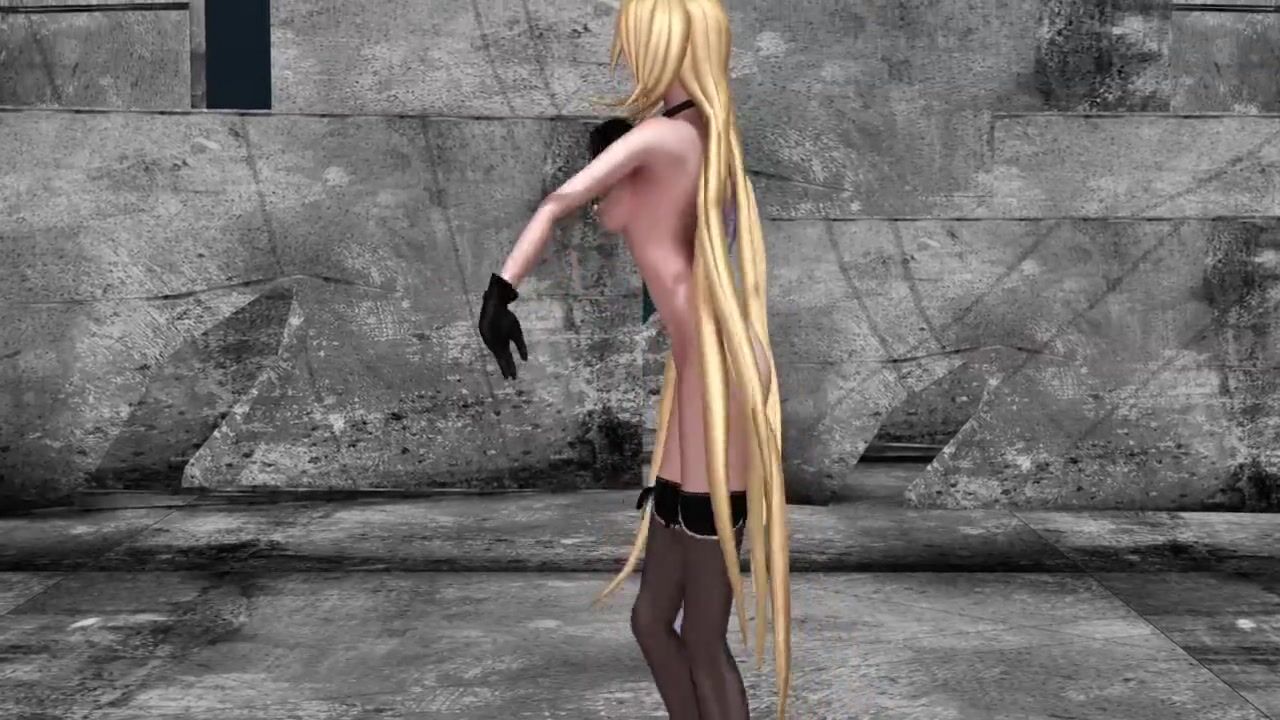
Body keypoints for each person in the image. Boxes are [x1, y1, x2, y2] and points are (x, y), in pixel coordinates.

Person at [477, 0, 790, 717]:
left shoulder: (666, 137)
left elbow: (557, 203)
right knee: (651, 621)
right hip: (702, 378)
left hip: (723, 381)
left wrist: (500, 292)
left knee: (702, 636)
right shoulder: (700, 131)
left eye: (637, 40)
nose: (600, 203)